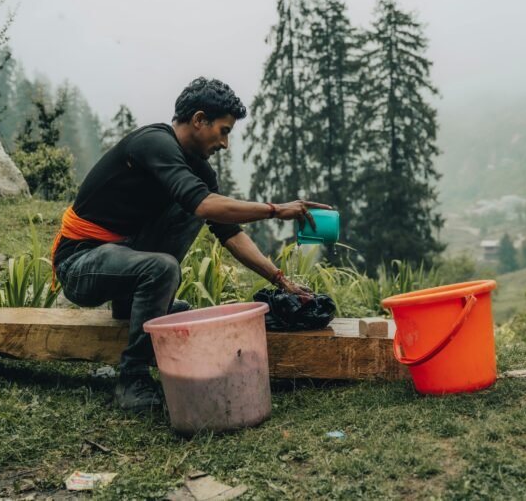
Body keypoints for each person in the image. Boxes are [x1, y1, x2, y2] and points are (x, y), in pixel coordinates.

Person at [51, 77, 330, 411]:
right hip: (79, 265)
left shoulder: (198, 171)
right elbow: (201, 204)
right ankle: (132, 379)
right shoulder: (154, 142)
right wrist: (274, 210)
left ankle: (134, 306)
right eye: (223, 131)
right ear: (199, 120)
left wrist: (280, 280)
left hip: (121, 256)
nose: (225, 143)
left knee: (198, 208)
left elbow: (230, 233)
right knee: (169, 255)